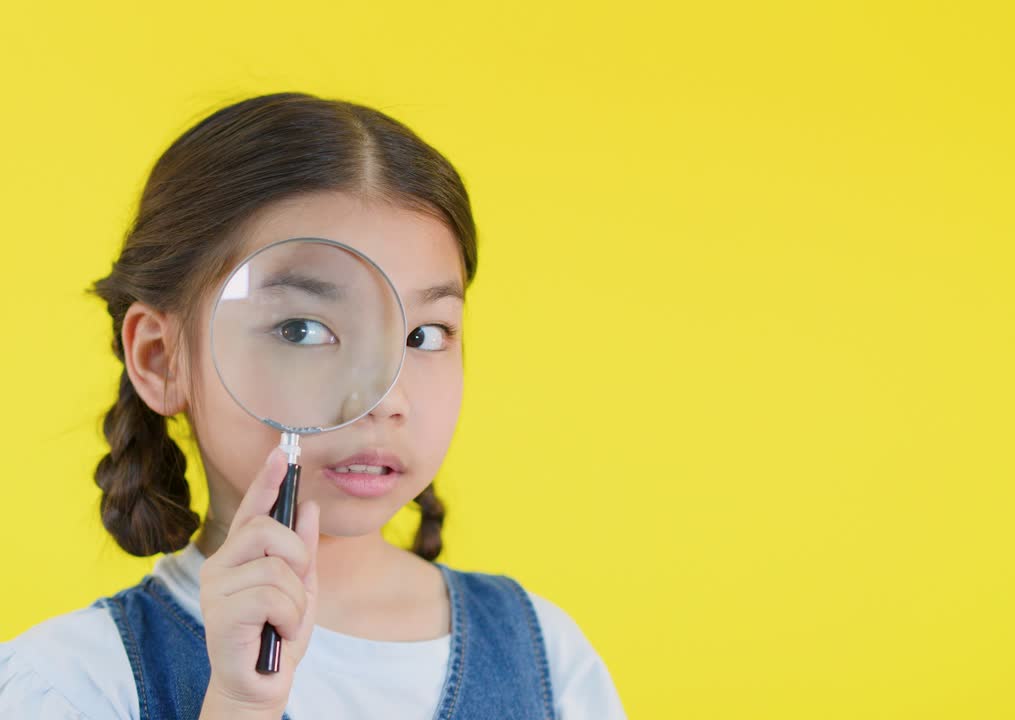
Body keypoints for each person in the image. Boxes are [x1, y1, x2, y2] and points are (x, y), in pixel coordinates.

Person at [0, 92, 626, 720]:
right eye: (302, 329)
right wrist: (240, 705)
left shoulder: (549, 657)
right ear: (162, 359)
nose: (385, 398)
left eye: (423, 336)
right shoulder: (68, 683)